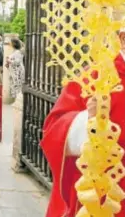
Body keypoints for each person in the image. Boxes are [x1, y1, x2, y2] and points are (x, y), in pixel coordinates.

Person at [41, 29, 125, 216]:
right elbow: (53, 128)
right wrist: (88, 120)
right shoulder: (97, 76)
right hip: (103, 195)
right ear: (122, 38)